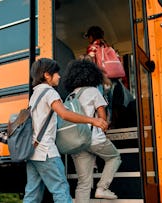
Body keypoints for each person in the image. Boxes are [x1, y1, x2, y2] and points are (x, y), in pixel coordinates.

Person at [23, 58, 108, 203]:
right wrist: (93, 120)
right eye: (56, 73)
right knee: (61, 190)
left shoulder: (35, 94)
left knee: (32, 194)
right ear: (46, 75)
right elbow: (65, 114)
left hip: (33, 152)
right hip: (46, 152)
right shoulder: (50, 92)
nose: (59, 76)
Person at [63, 59, 122, 202]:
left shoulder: (70, 96)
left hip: (77, 143)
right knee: (114, 157)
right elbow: (102, 116)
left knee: (83, 183)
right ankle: (102, 187)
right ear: (92, 74)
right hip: (93, 139)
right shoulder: (93, 91)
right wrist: (104, 129)